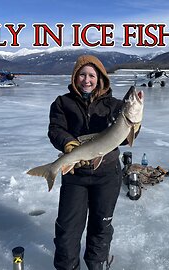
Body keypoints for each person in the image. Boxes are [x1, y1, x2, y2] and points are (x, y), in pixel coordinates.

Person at [47, 55, 140, 270]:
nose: (86, 80)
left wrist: (136, 123)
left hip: (107, 175)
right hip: (75, 176)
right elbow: (55, 130)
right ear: (75, 77)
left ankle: (97, 265)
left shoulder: (116, 106)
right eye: (82, 75)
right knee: (67, 230)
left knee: (101, 226)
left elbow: (127, 139)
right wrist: (68, 144)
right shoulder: (63, 103)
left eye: (91, 75)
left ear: (100, 78)